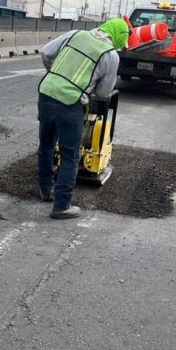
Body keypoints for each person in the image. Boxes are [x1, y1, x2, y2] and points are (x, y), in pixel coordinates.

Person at [37, 18, 129, 219]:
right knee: (70, 155)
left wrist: (56, 75)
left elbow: (46, 52)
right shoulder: (110, 55)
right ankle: (61, 206)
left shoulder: (75, 34)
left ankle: (46, 190)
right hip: (70, 102)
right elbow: (104, 93)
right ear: (118, 37)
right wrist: (85, 87)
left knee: (45, 145)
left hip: (46, 92)